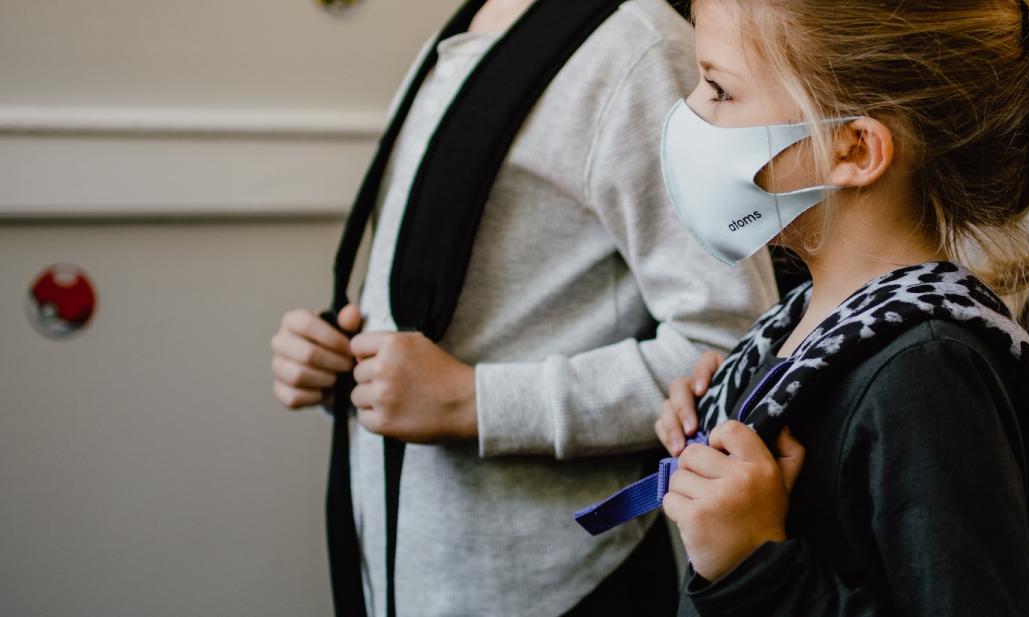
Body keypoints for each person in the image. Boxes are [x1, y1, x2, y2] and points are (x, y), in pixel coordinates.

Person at [652, 0, 1029, 614]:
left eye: (719, 90)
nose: (690, 112)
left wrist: (756, 562)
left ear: (854, 150)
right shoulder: (818, 316)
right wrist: (725, 403)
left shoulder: (926, 377)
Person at [268, 0, 777, 615]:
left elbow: (731, 350)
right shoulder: (462, 34)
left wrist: (472, 401)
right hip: (400, 569)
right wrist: (341, 367)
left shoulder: (638, 52)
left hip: (553, 587)